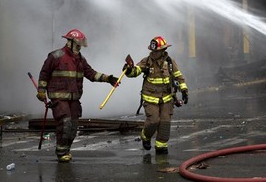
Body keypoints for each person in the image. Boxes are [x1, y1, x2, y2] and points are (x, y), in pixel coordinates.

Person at [36, 29, 119, 163]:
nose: (79, 48)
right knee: (65, 122)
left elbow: (91, 74)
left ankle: (66, 149)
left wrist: (108, 78)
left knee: (73, 126)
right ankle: (61, 152)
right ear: (70, 42)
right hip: (59, 97)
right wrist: (41, 90)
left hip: (74, 98)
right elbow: (44, 74)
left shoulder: (80, 59)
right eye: (78, 45)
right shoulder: (56, 56)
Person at [124, 36, 189, 155]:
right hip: (151, 98)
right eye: (154, 51)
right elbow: (135, 71)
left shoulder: (170, 62)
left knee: (165, 123)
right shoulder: (146, 62)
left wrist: (184, 90)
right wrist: (129, 69)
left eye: (158, 51)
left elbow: (179, 76)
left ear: (163, 50)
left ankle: (161, 146)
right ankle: (145, 136)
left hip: (167, 98)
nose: (156, 53)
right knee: (153, 121)